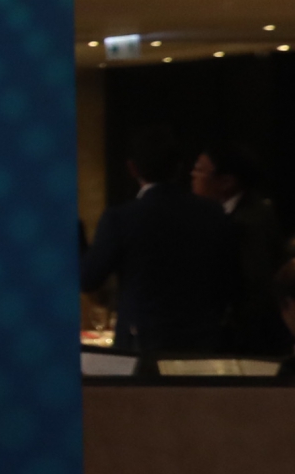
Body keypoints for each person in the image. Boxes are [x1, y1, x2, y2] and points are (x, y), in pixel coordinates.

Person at [82, 135, 234, 360]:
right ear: (179, 167)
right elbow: (231, 281)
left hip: (141, 340)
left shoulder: (121, 218)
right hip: (201, 340)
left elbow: (88, 278)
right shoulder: (212, 213)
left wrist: (76, 239)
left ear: (132, 168)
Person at [191, 144, 286, 353]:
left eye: (199, 170)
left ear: (226, 182)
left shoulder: (249, 222)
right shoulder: (238, 214)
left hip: (251, 342)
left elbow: (256, 285)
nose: (192, 175)